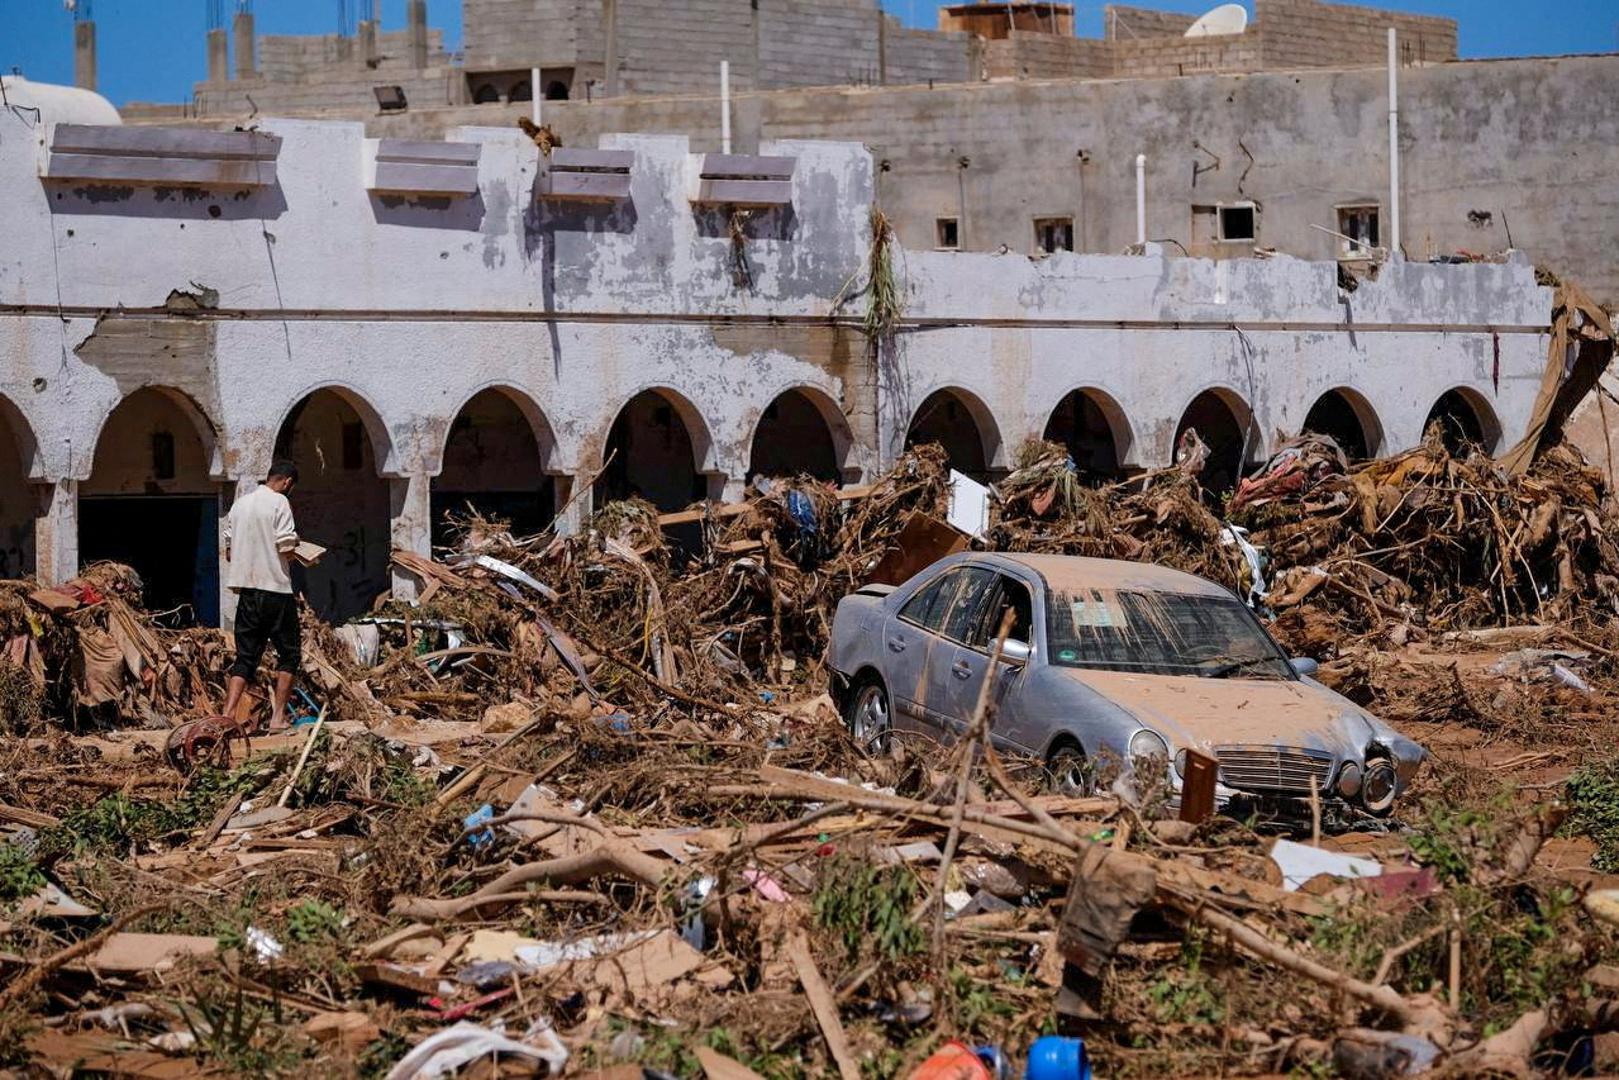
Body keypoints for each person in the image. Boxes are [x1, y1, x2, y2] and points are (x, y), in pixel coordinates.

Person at [222, 460, 302, 731]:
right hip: (276, 591)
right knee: (289, 654)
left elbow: (230, 551)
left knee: (245, 658)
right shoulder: (280, 503)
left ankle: (227, 715)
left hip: (247, 592)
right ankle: (278, 718)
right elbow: (286, 546)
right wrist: (300, 552)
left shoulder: (240, 505)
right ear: (287, 482)